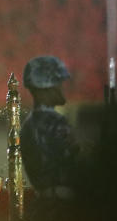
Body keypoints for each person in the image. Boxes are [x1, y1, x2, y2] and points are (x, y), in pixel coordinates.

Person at [20, 55, 79, 199]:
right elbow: (76, 163)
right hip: (62, 202)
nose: (63, 86)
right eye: (59, 82)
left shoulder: (28, 124)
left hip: (43, 201)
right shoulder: (55, 122)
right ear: (46, 86)